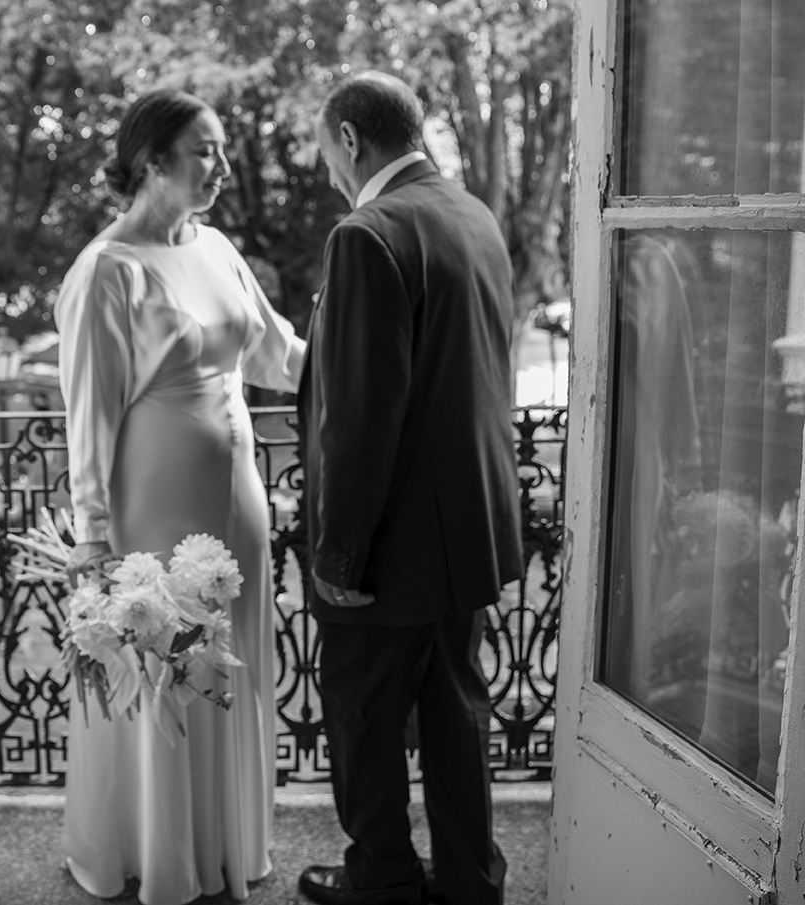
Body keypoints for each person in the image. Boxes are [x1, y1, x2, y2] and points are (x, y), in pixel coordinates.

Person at [54, 87, 306, 905]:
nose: (224, 165)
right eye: (206, 150)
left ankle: (226, 844)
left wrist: (366, 361)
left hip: (238, 506)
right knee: (163, 671)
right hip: (153, 511)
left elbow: (275, 353)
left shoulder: (218, 248)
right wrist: (93, 536)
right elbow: (89, 414)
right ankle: (156, 852)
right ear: (152, 161)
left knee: (232, 666)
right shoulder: (107, 269)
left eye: (222, 148)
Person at [296, 72, 522, 905]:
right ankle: (469, 880)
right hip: (468, 529)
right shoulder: (472, 215)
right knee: (456, 712)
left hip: (391, 545)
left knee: (363, 718)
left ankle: (383, 880)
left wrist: (338, 556)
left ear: (350, 139)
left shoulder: (367, 233)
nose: (328, 171)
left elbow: (361, 417)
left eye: (326, 152)